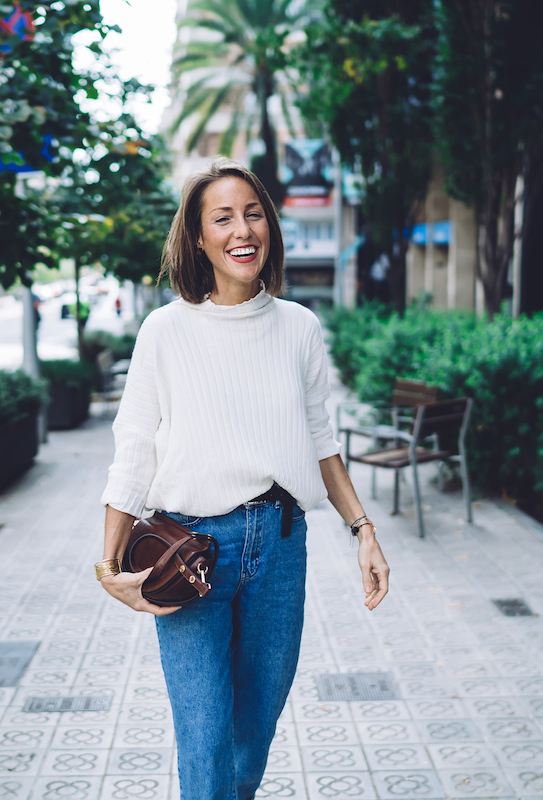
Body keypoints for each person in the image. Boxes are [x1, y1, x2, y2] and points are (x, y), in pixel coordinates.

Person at [96, 158, 390, 800]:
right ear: (198, 238)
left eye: (253, 213)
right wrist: (109, 562)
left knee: (252, 732)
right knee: (203, 738)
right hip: (189, 552)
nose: (242, 229)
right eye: (222, 217)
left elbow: (321, 443)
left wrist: (362, 531)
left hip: (281, 550)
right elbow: (134, 446)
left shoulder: (299, 328)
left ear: (270, 227)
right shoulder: (165, 331)